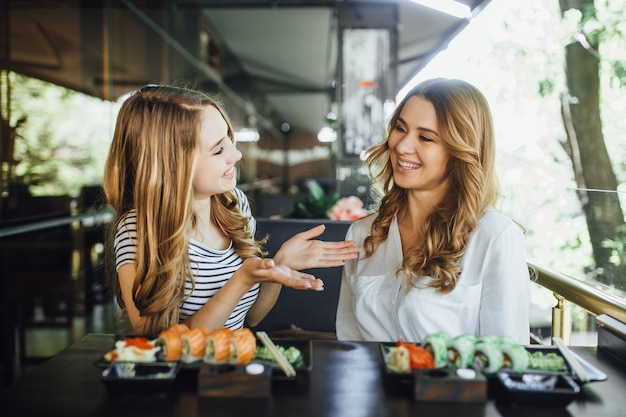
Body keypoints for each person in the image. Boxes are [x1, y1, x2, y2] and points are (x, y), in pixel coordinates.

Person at [103, 84, 359, 336]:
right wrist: (242, 280)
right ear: (173, 165)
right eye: (218, 150)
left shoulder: (232, 203)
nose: (236, 155)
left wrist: (277, 266)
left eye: (229, 139)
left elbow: (252, 318)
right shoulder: (138, 229)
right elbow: (158, 343)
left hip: (232, 366)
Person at [336, 78, 530, 344]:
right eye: (400, 128)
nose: (402, 146)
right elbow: (350, 341)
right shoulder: (362, 234)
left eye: (425, 137)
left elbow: (508, 357)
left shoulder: (495, 237)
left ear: (460, 151)